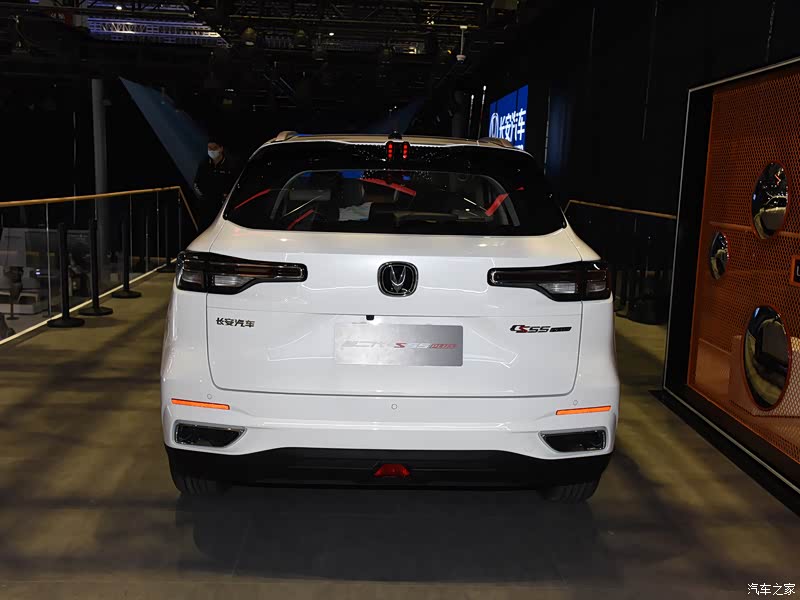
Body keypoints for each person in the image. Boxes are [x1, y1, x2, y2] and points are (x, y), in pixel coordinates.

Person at [193, 137, 238, 231]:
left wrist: (228, 197)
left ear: (221, 148)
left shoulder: (231, 165)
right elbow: (196, 183)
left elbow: (236, 185)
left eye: (214, 148)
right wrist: (203, 198)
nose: (211, 151)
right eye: (209, 148)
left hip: (223, 208)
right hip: (206, 207)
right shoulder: (203, 164)